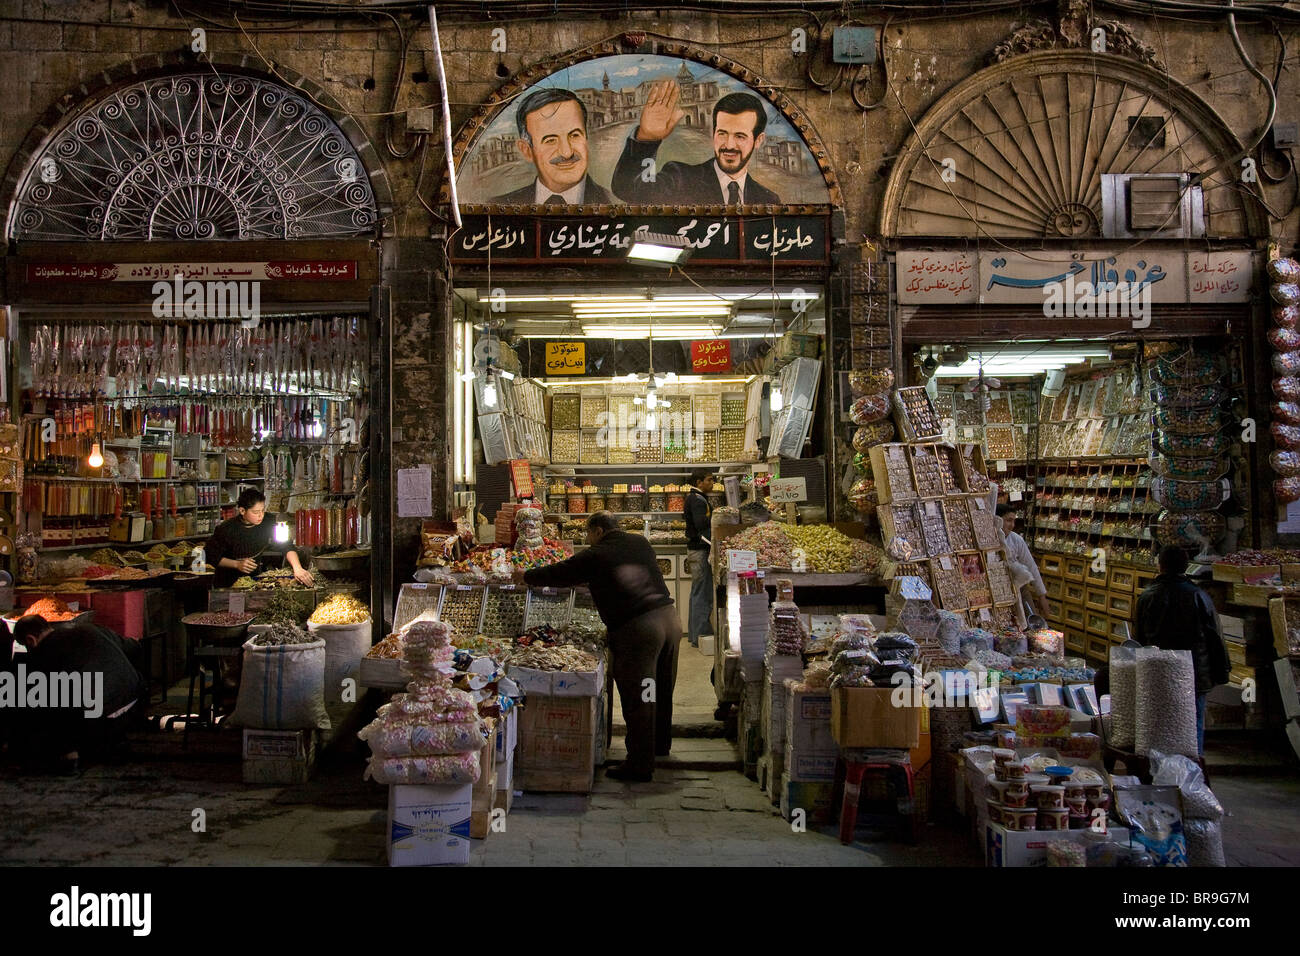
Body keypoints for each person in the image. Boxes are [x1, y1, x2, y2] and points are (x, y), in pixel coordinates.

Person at [515, 511, 678, 782]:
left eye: (588, 535)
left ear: (599, 531)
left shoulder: (596, 554)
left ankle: (640, 763)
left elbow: (560, 573)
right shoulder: (640, 542)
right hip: (669, 621)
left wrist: (526, 576)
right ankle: (659, 745)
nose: (587, 540)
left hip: (640, 630)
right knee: (658, 687)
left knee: (639, 695)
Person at [7, 614, 147, 773]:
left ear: (30, 640)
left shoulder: (43, 653)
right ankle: (110, 741)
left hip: (100, 719)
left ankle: (68, 754)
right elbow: (133, 647)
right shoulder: (90, 629)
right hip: (135, 704)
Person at [612, 84, 781, 204]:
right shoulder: (681, 178)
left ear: (758, 140)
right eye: (722, 134)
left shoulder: (768, 200)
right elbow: (627, 189)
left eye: (740, 136)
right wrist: (646, 139)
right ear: (714, 133)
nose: (729, 145)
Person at [1134, 545, 1230, 756]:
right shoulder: (1199, 596)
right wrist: (1221, 672)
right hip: (1194, 673)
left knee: (1158, 722)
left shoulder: (1147, 597)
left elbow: (1138, 639)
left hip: (1156, 672)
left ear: (1160, 565)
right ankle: (1192, 771)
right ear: (1186, 567)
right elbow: (1215, 637)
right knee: (1192, 724)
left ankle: (1159, 769)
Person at [491, 88, 613, 205]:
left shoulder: (617, 204)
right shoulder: (499, 205)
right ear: (527, 150)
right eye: (551, 140)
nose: (567, 153)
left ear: (586, 138)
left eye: (574, 135)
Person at [205, 488, 314, 590]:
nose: (260, 516)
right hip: (227, 583)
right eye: (255, 512)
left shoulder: (268, 521)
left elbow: (286, 545)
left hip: (254, 582)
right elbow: (210, 555)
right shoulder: (226, 528)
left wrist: (298, 568)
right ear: (242, 511)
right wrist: (237, 564)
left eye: (262, 510)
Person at [997, 504, 1050, 620]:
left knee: (1030, 621)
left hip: (1019, 587)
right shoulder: (990, 539)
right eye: (1008, 520)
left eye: (1014, 521)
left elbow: (1031, 566)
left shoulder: (1016, 540)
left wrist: (1041, 595)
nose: (1012, 525)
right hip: (998, 590)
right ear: (998, 520)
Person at [684, 469, 715, 648]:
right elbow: (701, 525)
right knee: (702, 593)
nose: (711, 483)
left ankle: (696, 633)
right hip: (700, 550)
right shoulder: (697, 500)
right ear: (698, 482)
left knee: (697, 592)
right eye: (709, 480)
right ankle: (700, 634)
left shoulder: (696, 498)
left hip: (697, 550)